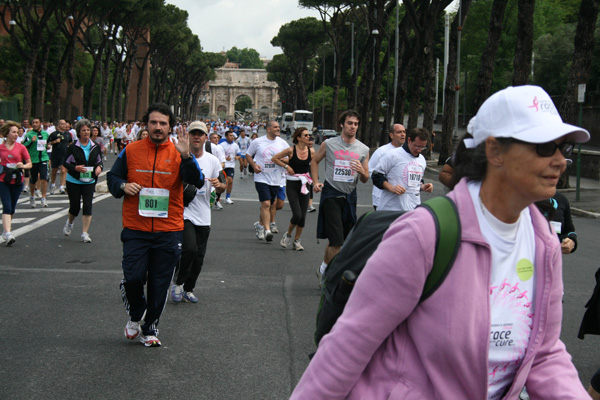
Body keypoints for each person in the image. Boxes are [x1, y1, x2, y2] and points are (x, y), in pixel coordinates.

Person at [291, 85, 591, 399]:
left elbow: (544, 352)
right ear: (495, 151)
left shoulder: (543, 239)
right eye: (544, 147)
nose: (560, 161)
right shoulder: (425, 233)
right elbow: (349, 344)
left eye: (565, 149)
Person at [107, 102, 204, 347]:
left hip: (169, 230)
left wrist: (186, 157)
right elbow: (113, 177)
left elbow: (198, 181)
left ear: (170, 126)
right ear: (146, 125)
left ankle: (150, 328)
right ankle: (136, 313)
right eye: (153, 123)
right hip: (135, 228)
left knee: (159, 283)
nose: (158, 127)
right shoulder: (131, 150)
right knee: (133, 278)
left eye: (163, 123)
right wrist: (122, 186)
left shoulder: (180, 152)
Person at [171, 121, 225, 303]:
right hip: (183, 211)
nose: (196, 137)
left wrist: (219, 186)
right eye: (193, 133)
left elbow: (223, 184)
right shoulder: (178, 156)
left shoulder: (213, 160)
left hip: (204, 213)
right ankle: (178, 282)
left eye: (200, 134)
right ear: (188, 136)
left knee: (199, 257)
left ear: (205, 138)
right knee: (189, 248)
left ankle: (189, 288)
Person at [311, 110, 369, 281]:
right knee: (336, 239)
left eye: (356, 124)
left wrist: (361, 171)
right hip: (331, 195)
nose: (353, 127)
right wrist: (315, 181)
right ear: (342, 124)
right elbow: (314, 161)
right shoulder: (329, 144)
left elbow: (366, 178)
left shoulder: (363, 148)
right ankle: (329, 277)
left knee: (342, 239)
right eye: (350, 123)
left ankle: (323, 268)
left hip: (350, 196)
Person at [271, 127, 315, 251]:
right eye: (305, 135)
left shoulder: (311, 151)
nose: (308, 137)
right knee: (297, 214)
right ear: (298, 137)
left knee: (303, 216)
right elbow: (274, 158)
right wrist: (286, 166)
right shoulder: (291, 150)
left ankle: (296, 241)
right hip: (292, 184)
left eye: (308, 135)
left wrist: (315, 182)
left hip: (305, 183)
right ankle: (288, 234)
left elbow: (314, 165)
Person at [246, 120, 289, 242]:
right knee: (265, 204)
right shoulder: (258, 142)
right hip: (261, 177)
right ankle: (267, 230)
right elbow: (248, 155)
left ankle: (260, 225)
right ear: (268, 129)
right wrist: (254, 166)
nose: (278, 129)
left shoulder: (283, 143)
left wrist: (282, 161)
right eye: (275, 127)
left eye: (278, 127)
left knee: (270, 205)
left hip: (276, 179)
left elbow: (289, 158)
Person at [372, 127, 434, 211]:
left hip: (413, 209)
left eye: (422, 147)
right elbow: (376, 176)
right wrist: (391, 188)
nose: (419, 150)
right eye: (416, 146)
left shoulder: (421, 160)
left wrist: (423, 186)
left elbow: (415, 183)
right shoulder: (392, 155)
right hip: (391, 209)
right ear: (409, 140)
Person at [62, 119, 103, 243]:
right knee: (75, 207)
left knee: (88, 205)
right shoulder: (73, 146)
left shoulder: (95, 146)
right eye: (83, 130)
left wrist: (99, 167)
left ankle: (85, 233)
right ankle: (70, 222)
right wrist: (75, 168)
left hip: (89, 180)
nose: (86, 132)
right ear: (79, 132)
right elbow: (65, 163)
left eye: (88, 130)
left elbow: (99, 161)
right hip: (74, 180)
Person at [0, 121, 32, 246]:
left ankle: (5, 231)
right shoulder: (1, 147)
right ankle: (8, 233)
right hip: (3, 180)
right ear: (7, 133)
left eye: (17, 133)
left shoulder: (21, 147)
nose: (15, 134)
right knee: (7, 207)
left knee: (12, 208)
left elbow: (30, 164)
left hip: (17, 180)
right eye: (13, 132)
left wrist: (23, 165)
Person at [368, 123, 406, 209]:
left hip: (400, 201)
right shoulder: (382, 151)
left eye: (404, 132)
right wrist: (386, 182)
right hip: (381, 198)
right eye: (399, 132)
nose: (402, 134)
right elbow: (370, 170)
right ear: (391, 135)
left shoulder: (406, 153)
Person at [21, 117, 50, 208]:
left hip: (43, 158)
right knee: (33, 180)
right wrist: (30, 141)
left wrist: (48, 146)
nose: (34, 124)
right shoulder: (29, 134)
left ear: (40, 123)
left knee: (44, 178)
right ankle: (32, 196)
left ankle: (43, 198)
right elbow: (23, 146)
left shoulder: (45, 134)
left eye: (36, 122)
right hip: (33, 160)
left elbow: (47, 144)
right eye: (33, 122)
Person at [48, 119, 72, 195]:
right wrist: (55, 142)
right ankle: (52, 184)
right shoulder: (53, 134)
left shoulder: (68, 134)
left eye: (65, 124)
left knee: (63, 170)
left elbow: (70, 142)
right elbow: (48, 143)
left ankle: (62, 186)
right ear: (58, 125)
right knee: (54, 171)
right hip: (55, 154)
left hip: (64, 155)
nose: (64, 125)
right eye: (62, 124)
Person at [220, 130, 240, 204]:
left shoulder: (235, 145)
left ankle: (227, 197)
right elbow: (219, 156)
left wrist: (237, 157)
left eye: (233, 136)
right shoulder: (222, 145)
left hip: (231, 166)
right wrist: (225, 158)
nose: (232, 137)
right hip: (223, 165)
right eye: (230, 135)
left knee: (230, 181)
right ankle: (217, 197)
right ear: (226, 136)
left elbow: (239, 154)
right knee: (221, 182)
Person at [209, 132, 226, 209]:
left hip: (217, 169)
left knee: (221, 184)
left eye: (217, 138)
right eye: (214, 138)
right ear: (210, 139)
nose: (216, 139)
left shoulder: (220, 148)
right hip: (208, 169)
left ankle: (217, 200)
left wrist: (217, 168)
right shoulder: (206, 147)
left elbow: (223, 162)